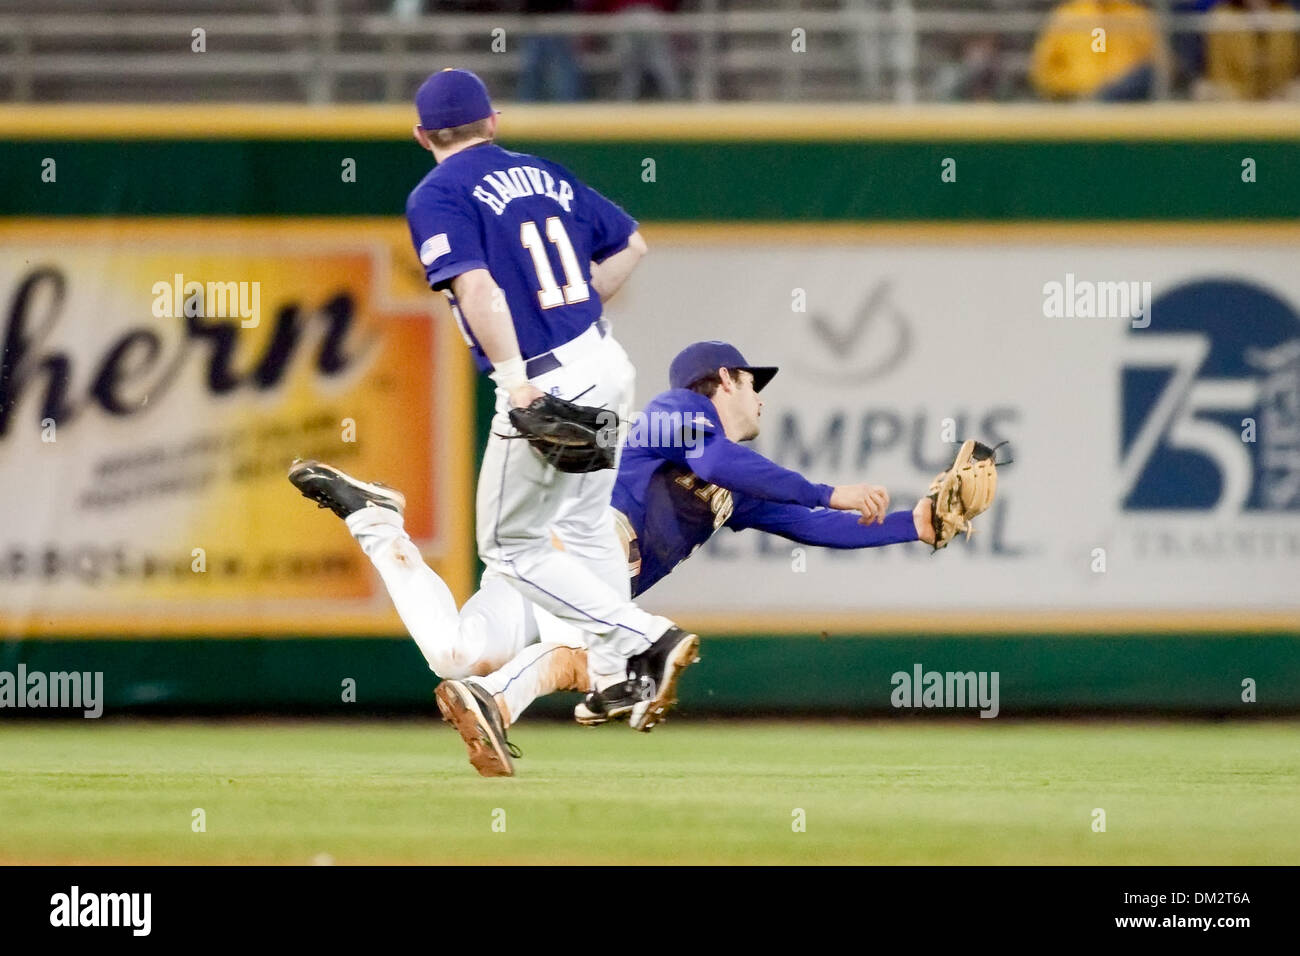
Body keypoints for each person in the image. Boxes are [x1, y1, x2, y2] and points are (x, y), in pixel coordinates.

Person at [291, 341, 989, 776]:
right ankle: (497, 705)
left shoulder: (731, 490)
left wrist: (914, 524)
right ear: (724, 378)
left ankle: (379, 524)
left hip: (553, 574)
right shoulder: (672, 409)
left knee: (454, 652)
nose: (759, 396)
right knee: (593, 657)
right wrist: (834, 491)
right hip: (571, 551)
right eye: (754, 382)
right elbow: (722, 458)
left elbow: (809, 528)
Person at [294, 67, 711, 774]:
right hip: (603, 361)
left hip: (544, 374)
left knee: (510, 545)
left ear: (422, 135)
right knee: (580, 526)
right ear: (493, 121)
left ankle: (646, 635)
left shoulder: (438, 191)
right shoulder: (541, 172)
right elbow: (630, 245)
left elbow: (478, 286)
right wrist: (574, 314)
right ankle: (615, 670)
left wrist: (517, 377)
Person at [1030, 0, 1168, 101]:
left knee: (1146, 73)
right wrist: (1072, 88)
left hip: (1127, 105)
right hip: (1077, 103)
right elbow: (1043, 72)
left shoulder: (1135, 16)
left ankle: (1102, 98)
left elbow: (1160, 65)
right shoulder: (1066, 16)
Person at [1199, 0, 1299, 100]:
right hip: (1233, 91)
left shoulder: (1285, 13)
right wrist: (1239, 95)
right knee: (1205, 90)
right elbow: (1218, 66)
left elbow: (1292, 62)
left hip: (1279, 93)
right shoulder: (1222, 15)